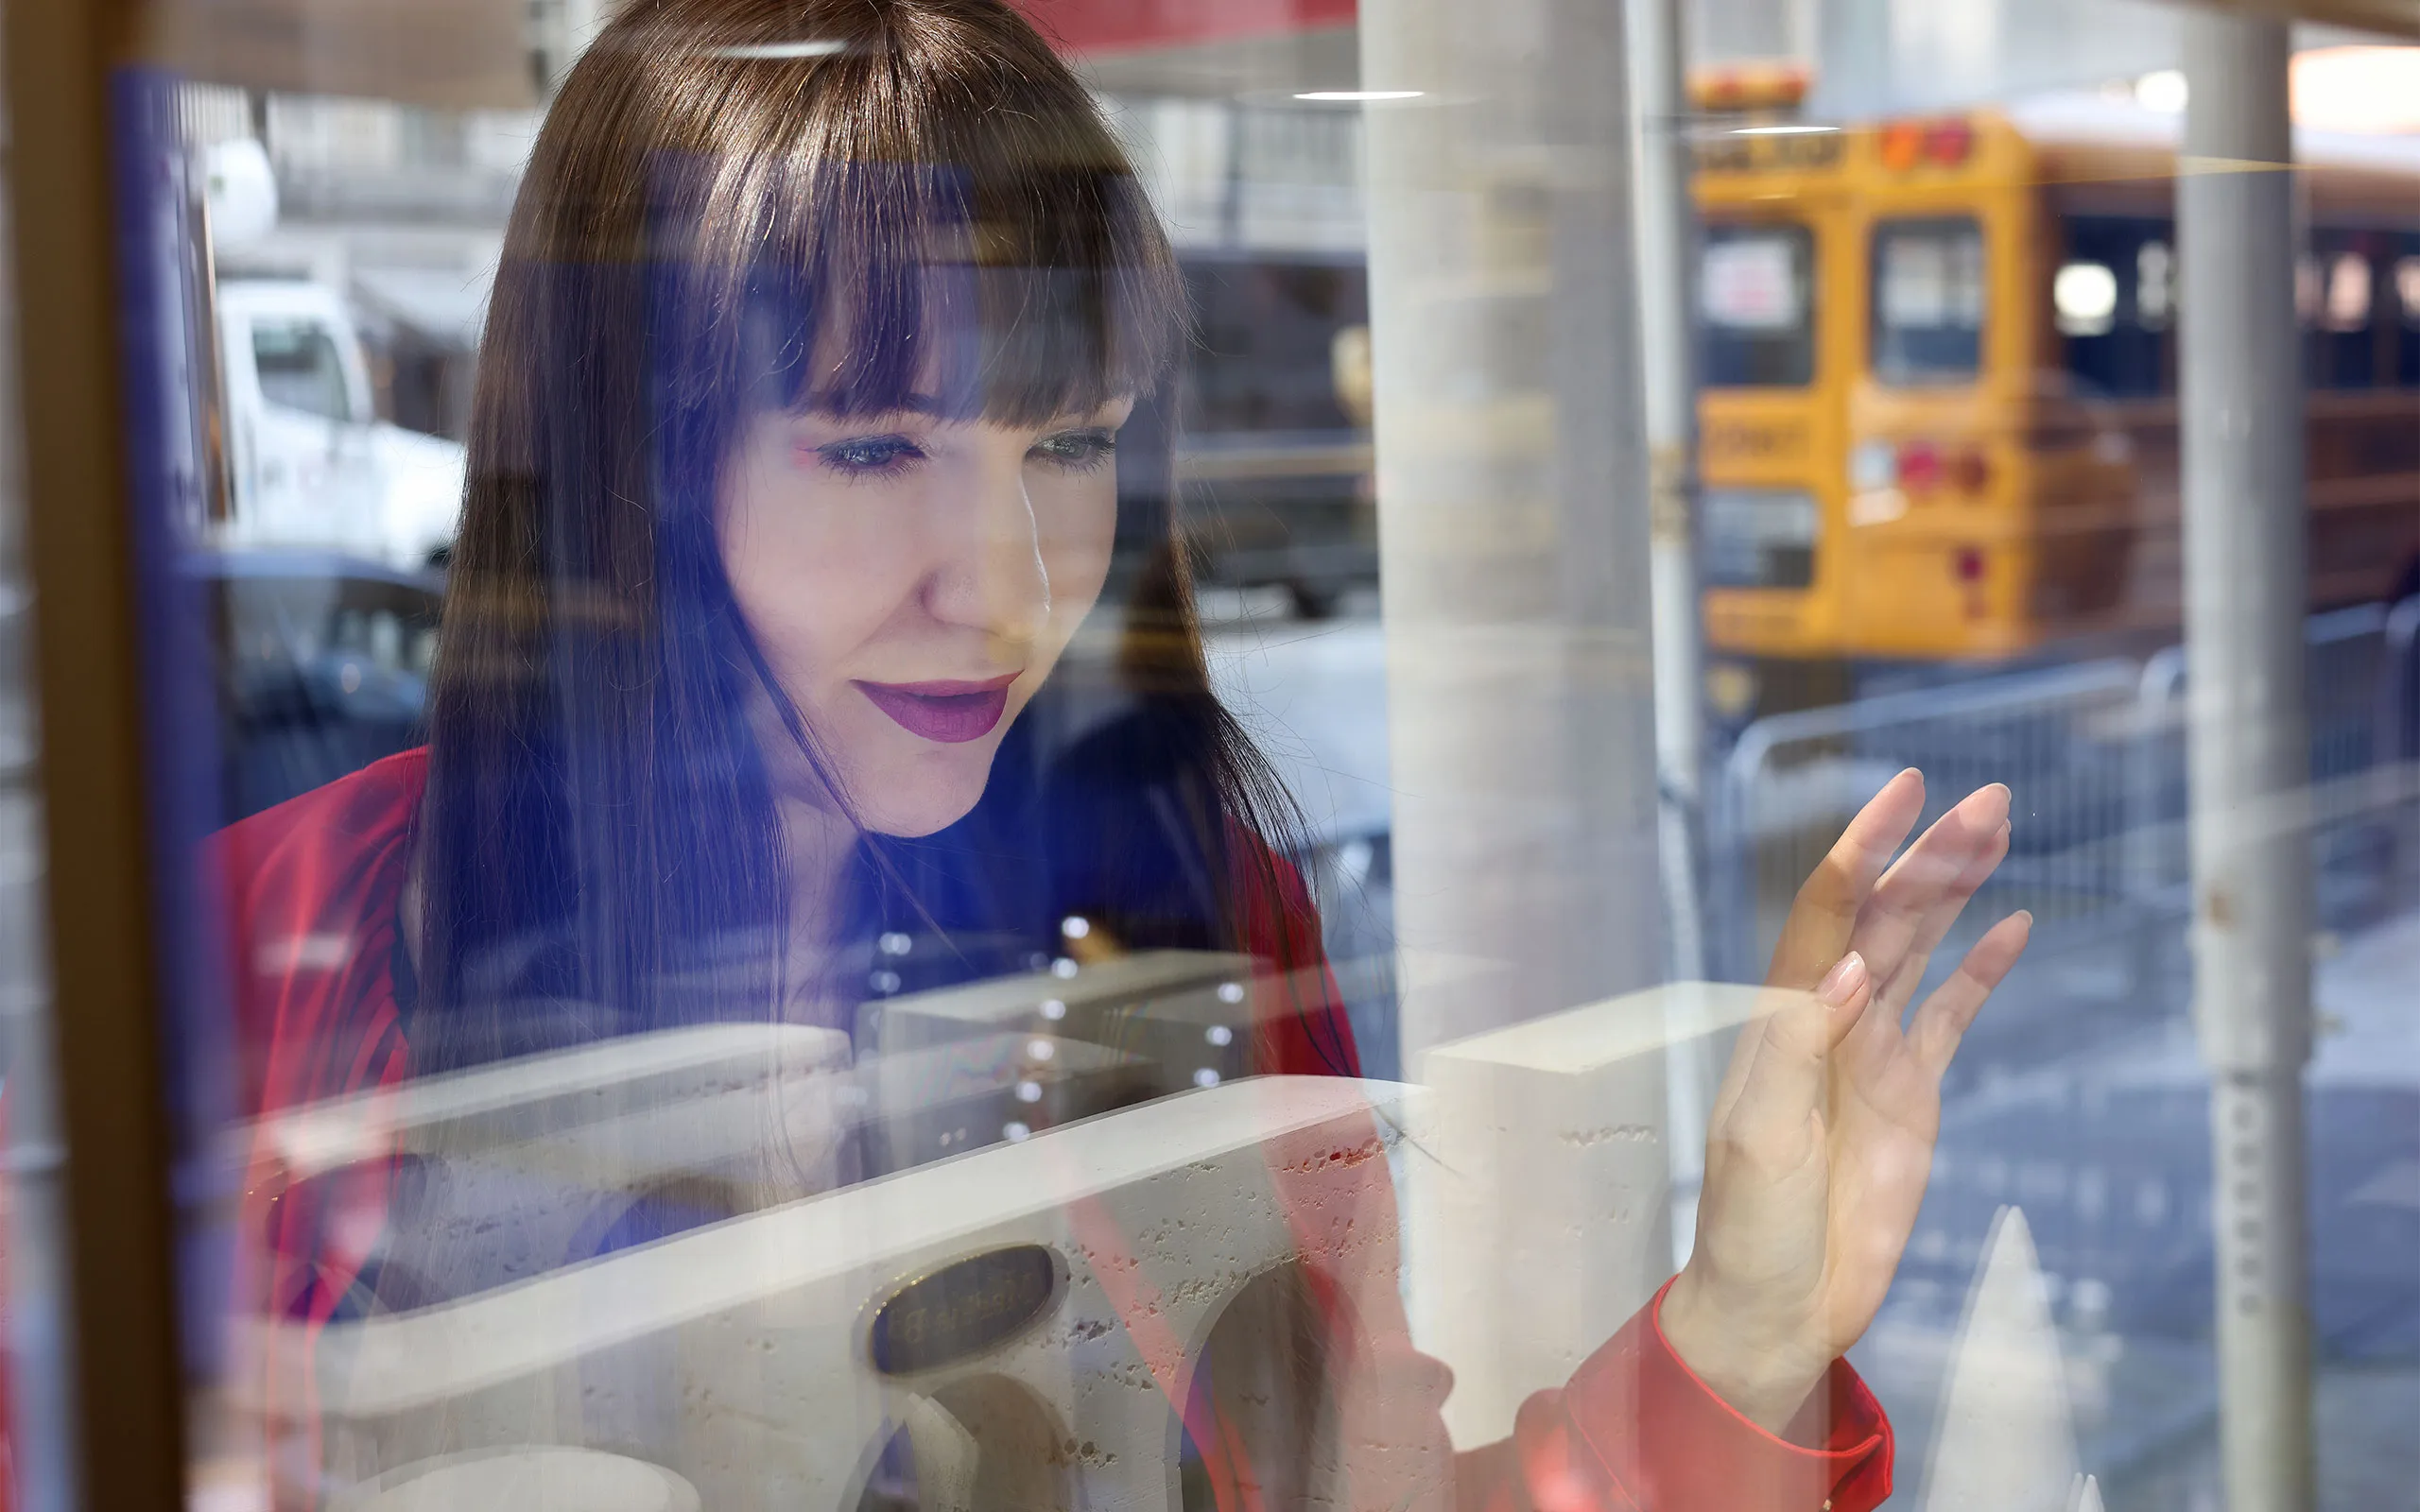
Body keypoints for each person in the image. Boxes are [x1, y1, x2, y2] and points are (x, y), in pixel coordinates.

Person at [191, 1, 2031, 1507]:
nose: (1007, 589)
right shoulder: (247, 954)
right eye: (871, 448)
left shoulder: (1190, 904)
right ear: (633, 463)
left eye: (1066, 443)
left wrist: (1740, 1326)